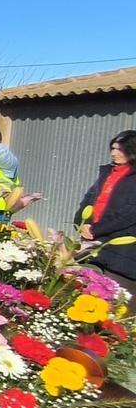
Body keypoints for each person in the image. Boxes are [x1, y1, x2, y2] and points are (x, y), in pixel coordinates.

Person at [78, 130, 136, 309]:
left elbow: (129, 213)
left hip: (121, 250)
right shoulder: (107, 173)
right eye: (113, 148)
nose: (114, 153)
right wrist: (82, 223)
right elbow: (89, 199)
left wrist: (96, 229)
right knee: (85, 297)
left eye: (120, 149)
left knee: (116, 305)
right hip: (94, 244)